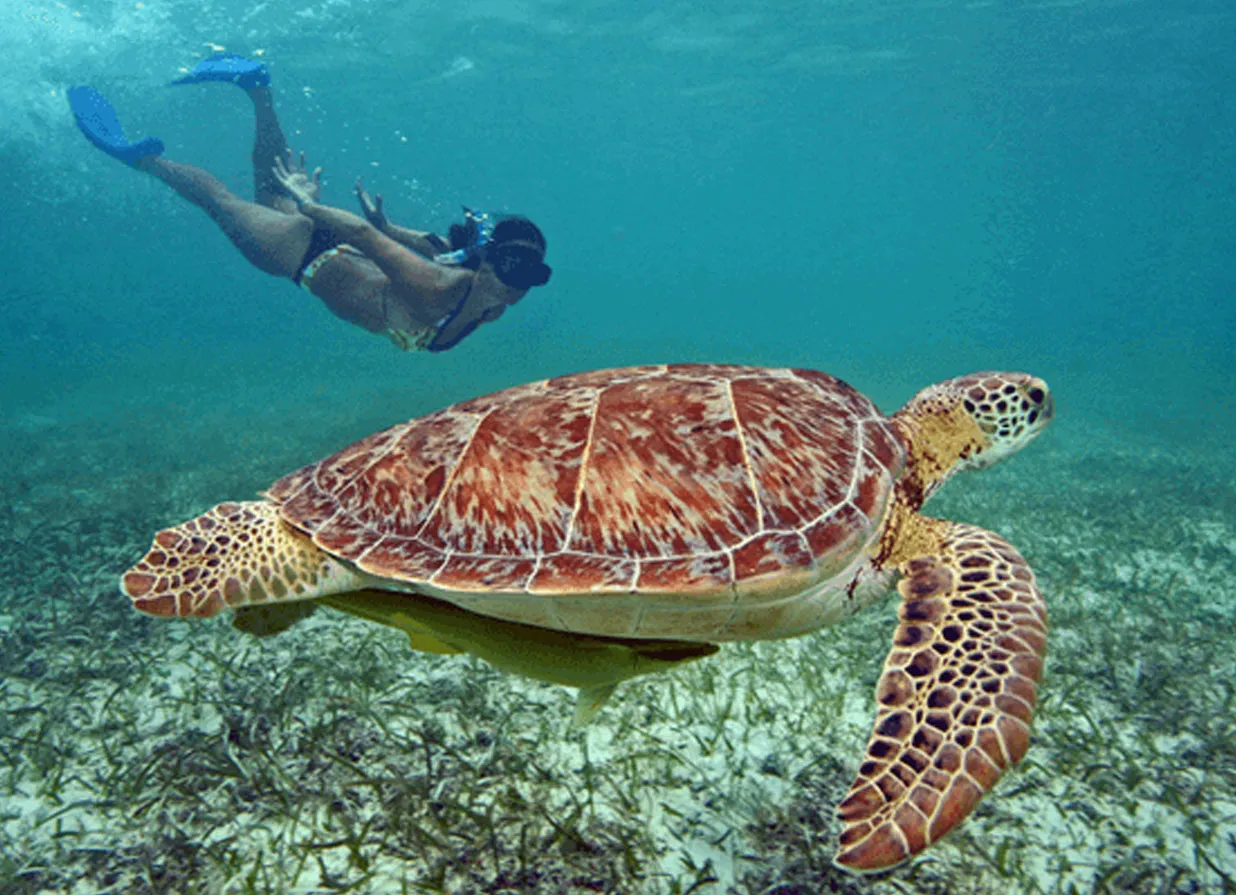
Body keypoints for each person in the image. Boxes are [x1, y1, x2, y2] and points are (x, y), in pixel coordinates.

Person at [67, 55, 552, 353]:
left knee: (268, 192)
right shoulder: (437, 285)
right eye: (511, 266)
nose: (517, 285)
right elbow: (363, 237)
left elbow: (431, 242)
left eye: (530, 272)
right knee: (217, 200)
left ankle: (257, 87)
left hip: (321, 249)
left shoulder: (487, 300)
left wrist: (386, 223)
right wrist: (309, 207)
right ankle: (142, 160)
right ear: (487, 262)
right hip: (299, 255)